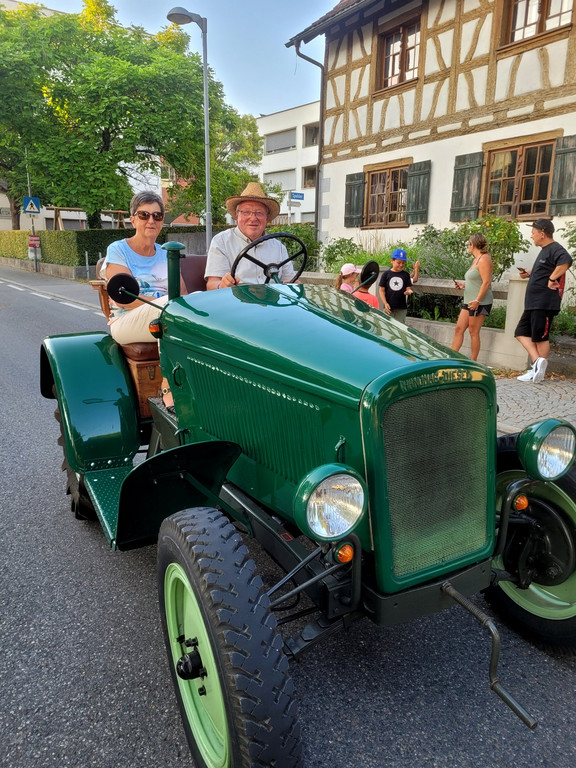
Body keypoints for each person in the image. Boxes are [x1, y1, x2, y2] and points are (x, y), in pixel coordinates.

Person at [101, 190, 185, 409]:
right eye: (144, 215)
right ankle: (169, 388)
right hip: (126, 321)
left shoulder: (167, 253)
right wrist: (164, 302)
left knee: (190, 305)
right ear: (133, 219)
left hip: (163, 314)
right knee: (168, 309)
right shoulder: (118, 250)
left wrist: (170, 303)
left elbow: (184, 297)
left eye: (157, 216)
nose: (151, 220)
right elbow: (124, 298)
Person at [205, 182, 294, 288]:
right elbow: (211, 284)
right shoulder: (221, 241)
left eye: (259, 213)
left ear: (266, 218)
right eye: (246, 212)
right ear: (237, 215)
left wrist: (295, 285)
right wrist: (221, 285)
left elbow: (289, 281)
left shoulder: (278, 247)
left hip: (272, 302)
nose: (253, 218)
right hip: (237, 301)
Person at [515, 218, 573, 383]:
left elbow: (566, 261)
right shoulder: (545, 250)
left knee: (540, 337)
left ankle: (537, 372)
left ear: (542, 234)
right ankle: (536, 364)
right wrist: (530, 273)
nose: (531, 236)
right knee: (520, 333)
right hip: (534, 302)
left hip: (544, 302)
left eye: (533, 233)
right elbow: (546, 270)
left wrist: (552, 278)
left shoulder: (555, 248)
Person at [451, 233, 493, 361]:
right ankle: (451, 358)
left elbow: (486, 282)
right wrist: (463, 285)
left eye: (468, 244)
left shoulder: (484, 259)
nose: (468, 247)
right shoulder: (476, 259)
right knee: (459, 328)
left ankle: (473, 362)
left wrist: (477, 300)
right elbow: (476, 280)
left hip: (479, 302)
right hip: (469, 300)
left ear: (472, 245)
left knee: (473, 332)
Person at [378, 249, 420, 323]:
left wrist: (408, 291)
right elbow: (381, 290)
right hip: (388, 307)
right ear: (392, 261)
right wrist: (385, 303)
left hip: (401, 308)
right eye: (398, 263)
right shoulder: (386, 274)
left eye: (403, 263)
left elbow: (408, 288)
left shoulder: (406, 275)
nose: (401, 265)